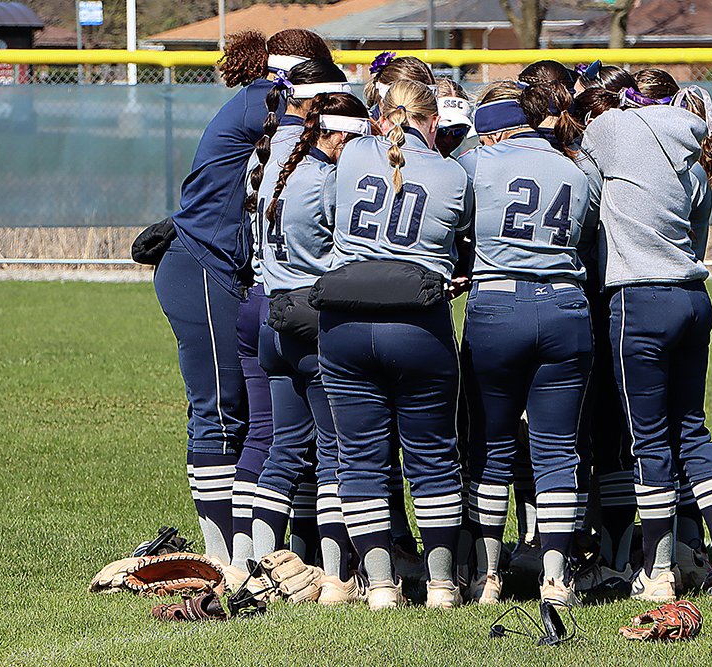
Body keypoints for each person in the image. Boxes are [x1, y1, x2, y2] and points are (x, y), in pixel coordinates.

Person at [153, 28, 329, 564]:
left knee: (256, 416)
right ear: (298, 73)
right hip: (201, 267)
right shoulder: (265, 102)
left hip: (224, 270)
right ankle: (225, 558)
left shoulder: (267, 101)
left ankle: (259, 552)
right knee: (221, 410)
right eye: (321, 76)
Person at [580, 68, 712, 602]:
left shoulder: (613, 130)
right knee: (693, 431)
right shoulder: (695, 162)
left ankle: (656, 572)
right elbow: (695, 246)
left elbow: (583, 181)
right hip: (693, 300)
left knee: (648, 440)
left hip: (639, 298)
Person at [316, 80, 474, 610]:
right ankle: (442, 586)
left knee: (358, 458)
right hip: (417, 323)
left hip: (344, 322)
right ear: (432, 121)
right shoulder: (453, 172)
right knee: (432, 458)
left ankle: (381, 586)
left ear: (382, 116)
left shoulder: (354, 153)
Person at [458, 79, 597, 607]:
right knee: (559, 448)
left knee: (490, 447)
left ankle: (488, 576)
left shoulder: (476, 165)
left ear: (490, 133)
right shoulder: (575, 168)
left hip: (497, 305)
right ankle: (556, 579)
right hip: (566, 305)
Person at [253, 83, 371, 602]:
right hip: (311, 321)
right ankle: (333, 575)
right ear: (340, 137)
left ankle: (249, 562)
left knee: (282, 447)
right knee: (332, 452)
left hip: (270, 319)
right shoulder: (325, 181)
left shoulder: (279, 169)